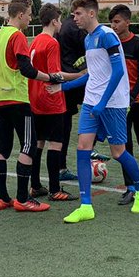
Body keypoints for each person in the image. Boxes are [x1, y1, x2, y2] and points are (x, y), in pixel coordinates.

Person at [47, 0, 139, 224]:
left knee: (118, 152)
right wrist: (63, 88)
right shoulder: (88, 39)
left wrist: (104, 102)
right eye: (74, 15)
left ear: (91, 13)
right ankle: (86, 206)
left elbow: (118, 73)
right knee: (82, 148)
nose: (74, 18)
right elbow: (92, 75)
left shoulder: (107, 35)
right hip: (92, 101)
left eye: (78, 14)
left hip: (112, 102)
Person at [0, 0, 62, 212]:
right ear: (20, 15)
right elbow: (26, 69)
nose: (30, 20)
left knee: (2, 147)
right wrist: (50, 78)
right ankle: (22, 199)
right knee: (29, 144)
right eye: (28, 15)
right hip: (16, 98)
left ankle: (3, 198)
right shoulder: (17, 36)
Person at [29, 3, 79, 202]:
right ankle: (55, 189)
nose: (61, 24)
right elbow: (54, 75)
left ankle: (35, 186)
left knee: (39, 142)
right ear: (53, 21)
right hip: (51, 98)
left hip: (35, 98)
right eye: (59, 20)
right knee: (56, 144)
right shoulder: (51, 43)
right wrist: (79, 75)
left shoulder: (34, 42)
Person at [109, 5, 139, 203]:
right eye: (112, 22)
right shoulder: (110, 44)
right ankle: (130, 186)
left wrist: (132, 96)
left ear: (128, 22)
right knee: (124, 144)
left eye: (117, 21)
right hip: (120, 103)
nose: (114, 25)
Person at [54, 12, 88, 182]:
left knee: (63, 126)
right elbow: (89, 47)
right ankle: (91, 148)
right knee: (98, 111)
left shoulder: (65, 26)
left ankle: (60, 167)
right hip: (75, 79)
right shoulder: (74, 27)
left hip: (66, 81)